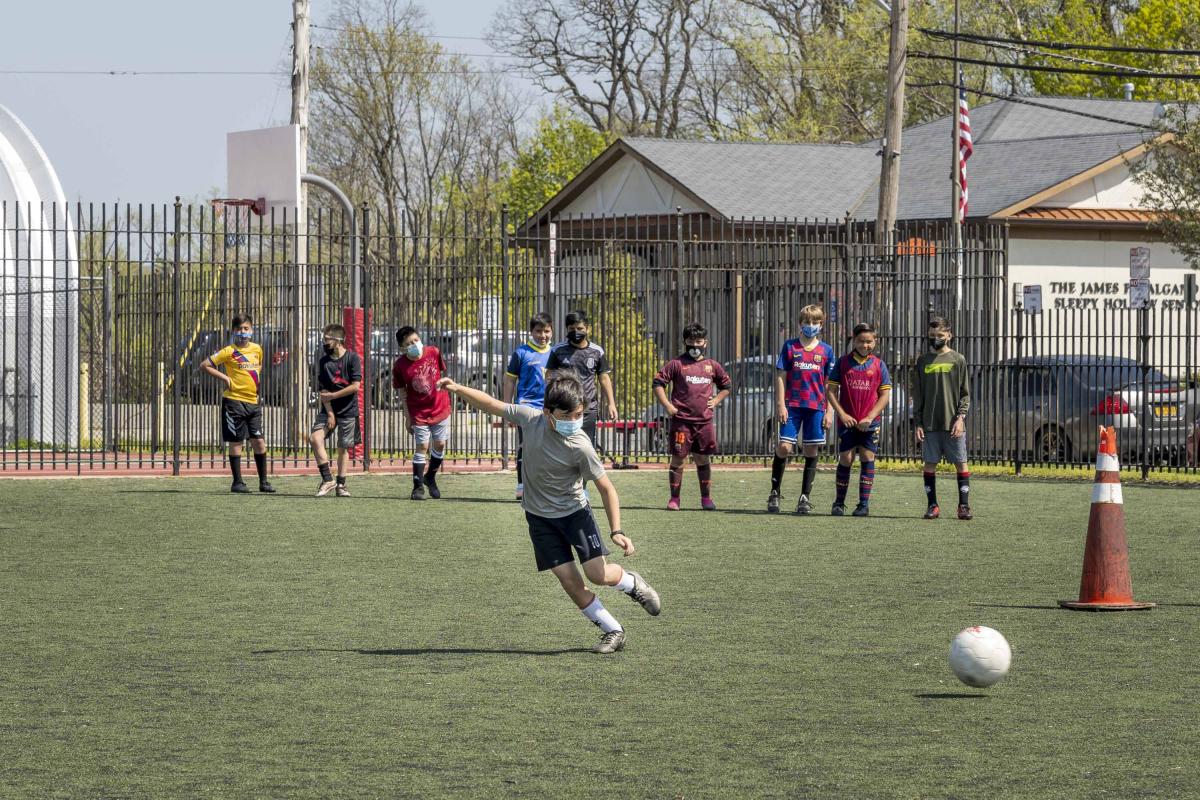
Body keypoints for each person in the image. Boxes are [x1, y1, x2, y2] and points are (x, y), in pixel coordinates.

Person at [437, 372, 662, 654]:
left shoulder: (581, 445)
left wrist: (617, 531)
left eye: (578, 415)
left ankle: (632, 583)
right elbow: (492, 404)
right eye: (565, 416)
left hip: (575, 515)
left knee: (597, 574)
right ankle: (612, 630)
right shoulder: (531, 419)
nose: (572, 422)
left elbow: (607, 489)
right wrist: (456, 387)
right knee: (570, 581)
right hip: (539, 519)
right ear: (547, 412)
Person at [652, 322, 732, 511]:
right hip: (682, 424)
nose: (695, 345)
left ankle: (706, 499)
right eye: (690, 341)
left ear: (705, 342)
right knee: (678, 459)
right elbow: (657, 384)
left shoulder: (712, 366)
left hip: (704, 423)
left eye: (698, 341)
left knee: (702, 459)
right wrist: (668, 406)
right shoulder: (676, 364)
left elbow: (726, 387)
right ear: (684, 342)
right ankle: (674, 499)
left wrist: (716, 400)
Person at [767, 304, 834, 514]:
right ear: (800, 324)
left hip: (816, 407)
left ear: (821, 325)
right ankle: (774, 492)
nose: (811, 326)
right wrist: (780, 404)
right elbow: (780, 376)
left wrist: (829, 410)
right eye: (807, 322)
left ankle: (805, 497)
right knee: (784, 447)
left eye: (815, 322)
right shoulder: (790, 347)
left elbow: (830, 384)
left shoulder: (826, 351)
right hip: (792, 406)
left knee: (811, 450)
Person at [200, 313, 275, 494]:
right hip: (233, 402)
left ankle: (264, 482)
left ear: (252, 330)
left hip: (253, 402)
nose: (243, 332)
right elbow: (205, 365)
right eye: (239, 329)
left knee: (259, 442)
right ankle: (237, 483)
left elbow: (259, 367)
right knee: (236, 442)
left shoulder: (257, 349)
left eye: (246, 329)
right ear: (234, 331)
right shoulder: (229, 351)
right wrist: (226, 378)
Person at [825, 323, 892, 517]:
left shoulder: (879, 365)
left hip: (870, 423)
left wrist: (870, 417)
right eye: (861, 341)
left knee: (867, 457)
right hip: (847, 422)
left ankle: (863, 505)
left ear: (875, 342)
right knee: (846, 458)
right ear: (854, 341)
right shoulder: (843, 362)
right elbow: (831, 391)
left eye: (869, 341)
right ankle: (839, 503)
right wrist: (842, 414)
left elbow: (884, 396)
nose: (865, 345)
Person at [912, 316, 973, 520]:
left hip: (953, 423)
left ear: (949, 335)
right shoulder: (922, 361)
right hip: (929, 424)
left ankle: (963, 507)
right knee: (929, 464)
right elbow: (918, 395)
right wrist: (918, 423)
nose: (936, 338)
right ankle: (933, 506)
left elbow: (965, 393)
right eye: (932, 335)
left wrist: (960, 418)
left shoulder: (958, 359)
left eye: (940, 335)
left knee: (961, 463)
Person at [392, 326, 451, 501]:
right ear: (402, 348)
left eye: (416, 340)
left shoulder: (433, 352)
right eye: (409, 343)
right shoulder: (400, 366)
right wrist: (407, 416)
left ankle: (430, 477)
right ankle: (417, 486)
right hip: (418, 411)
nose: (414, 345)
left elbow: (440, 375)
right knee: (422, 447)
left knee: (439, 444)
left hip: (440, 407)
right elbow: (402, 393)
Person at [545, 310, 617, 449]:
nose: (576, 331)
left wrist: (611, 404)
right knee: (563, 445)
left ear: (587, 329)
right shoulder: (557, 350)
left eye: (580, 328)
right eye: (572, 329)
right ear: (567, 329)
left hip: (588, 408)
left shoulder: (597, 351)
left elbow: (604, 378)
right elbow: (549, 377)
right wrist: (548, 402)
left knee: (586, 446)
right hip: (564, 408)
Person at [502, 313, 554, 501]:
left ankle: (545, 486)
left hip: (549, 409)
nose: (543, 335)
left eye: (546, 331)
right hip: (526, 407)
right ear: (531, 332)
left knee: (549, 447)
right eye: (538, 331)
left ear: (552, 331)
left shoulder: (554, 353)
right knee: (526, 446)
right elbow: (509, 381)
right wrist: (507, 408)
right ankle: (522, 485)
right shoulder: (521, 353)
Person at [309, 323, 363, 497]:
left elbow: (355, 386)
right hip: (328, 411)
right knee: (315, 438)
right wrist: (330, 413)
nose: (324, 342)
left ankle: (341, 485)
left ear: (338, 341)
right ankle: (327, 479)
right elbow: (323, 391)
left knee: (343, 448)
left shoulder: (352, 358)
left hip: (348, 411)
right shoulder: (324, 361)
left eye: (327, 339)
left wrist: (333, 396)